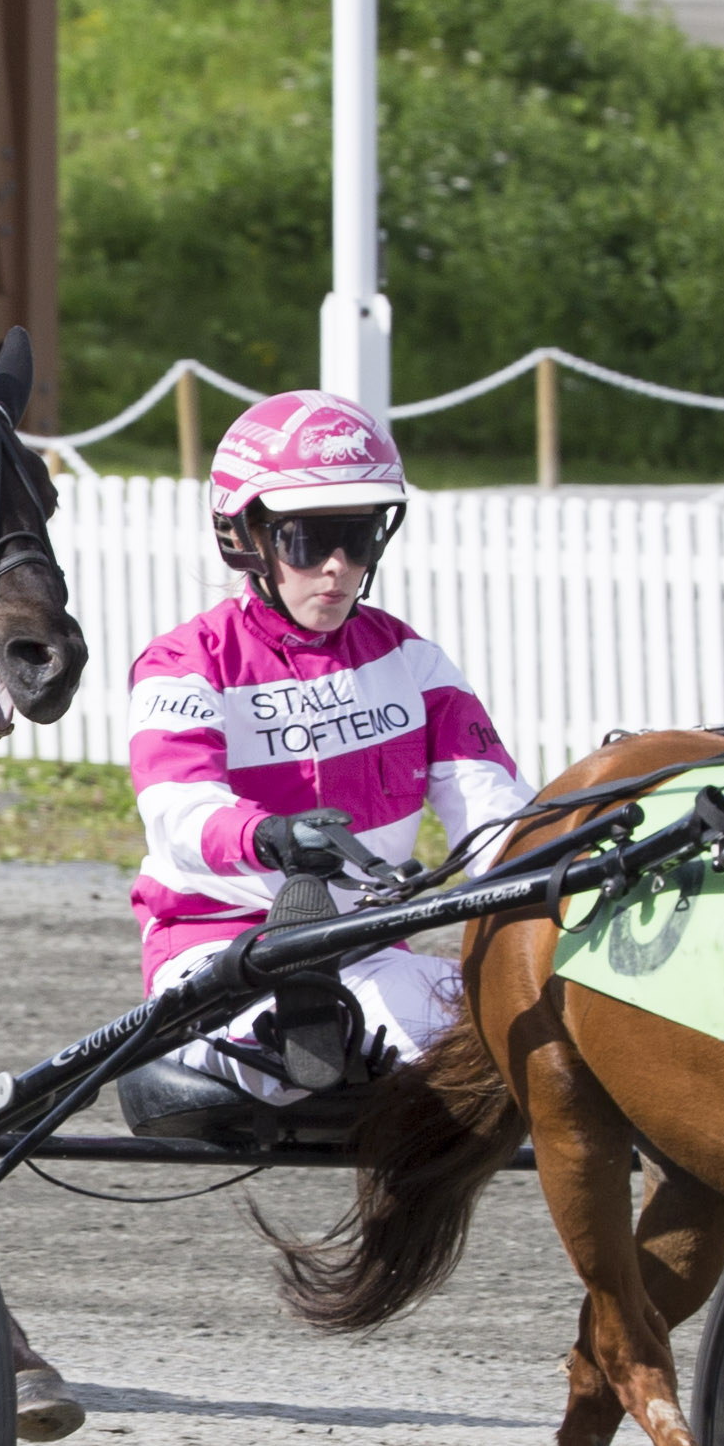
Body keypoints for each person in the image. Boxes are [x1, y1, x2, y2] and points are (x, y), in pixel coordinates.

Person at [114, 391, 527, 1123]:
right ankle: (270, 1039)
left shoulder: (412, 661)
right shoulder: (183, 664)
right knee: (352, 1036)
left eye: (357, 538)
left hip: (367, 949)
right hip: (222, 949)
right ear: (246, 537)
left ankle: (324, 1034)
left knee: (527, 1020)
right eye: (308, 541)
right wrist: (268, 835)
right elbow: (178, 811)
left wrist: (556, 867)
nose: (337, 567)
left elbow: (492, 809)